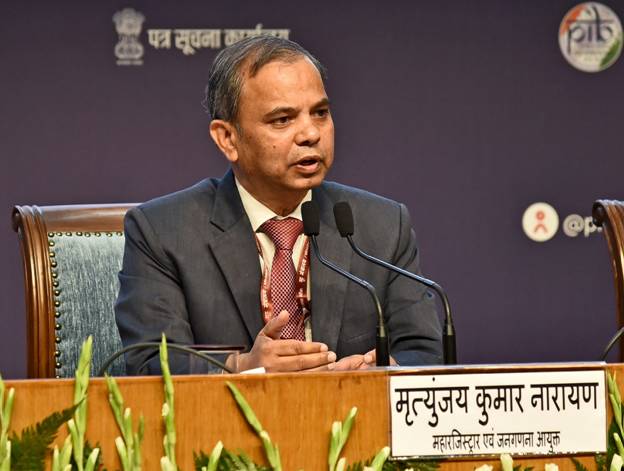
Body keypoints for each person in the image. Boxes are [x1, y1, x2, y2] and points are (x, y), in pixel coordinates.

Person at [115, 35, 442, 375]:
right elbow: (150, 364)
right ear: (228, 138)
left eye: (320, 113)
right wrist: (243, 368)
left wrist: (383, 372)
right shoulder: (163, 232)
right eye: (282, 120)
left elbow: (426, 352)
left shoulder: (382, 226)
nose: (310, 134)